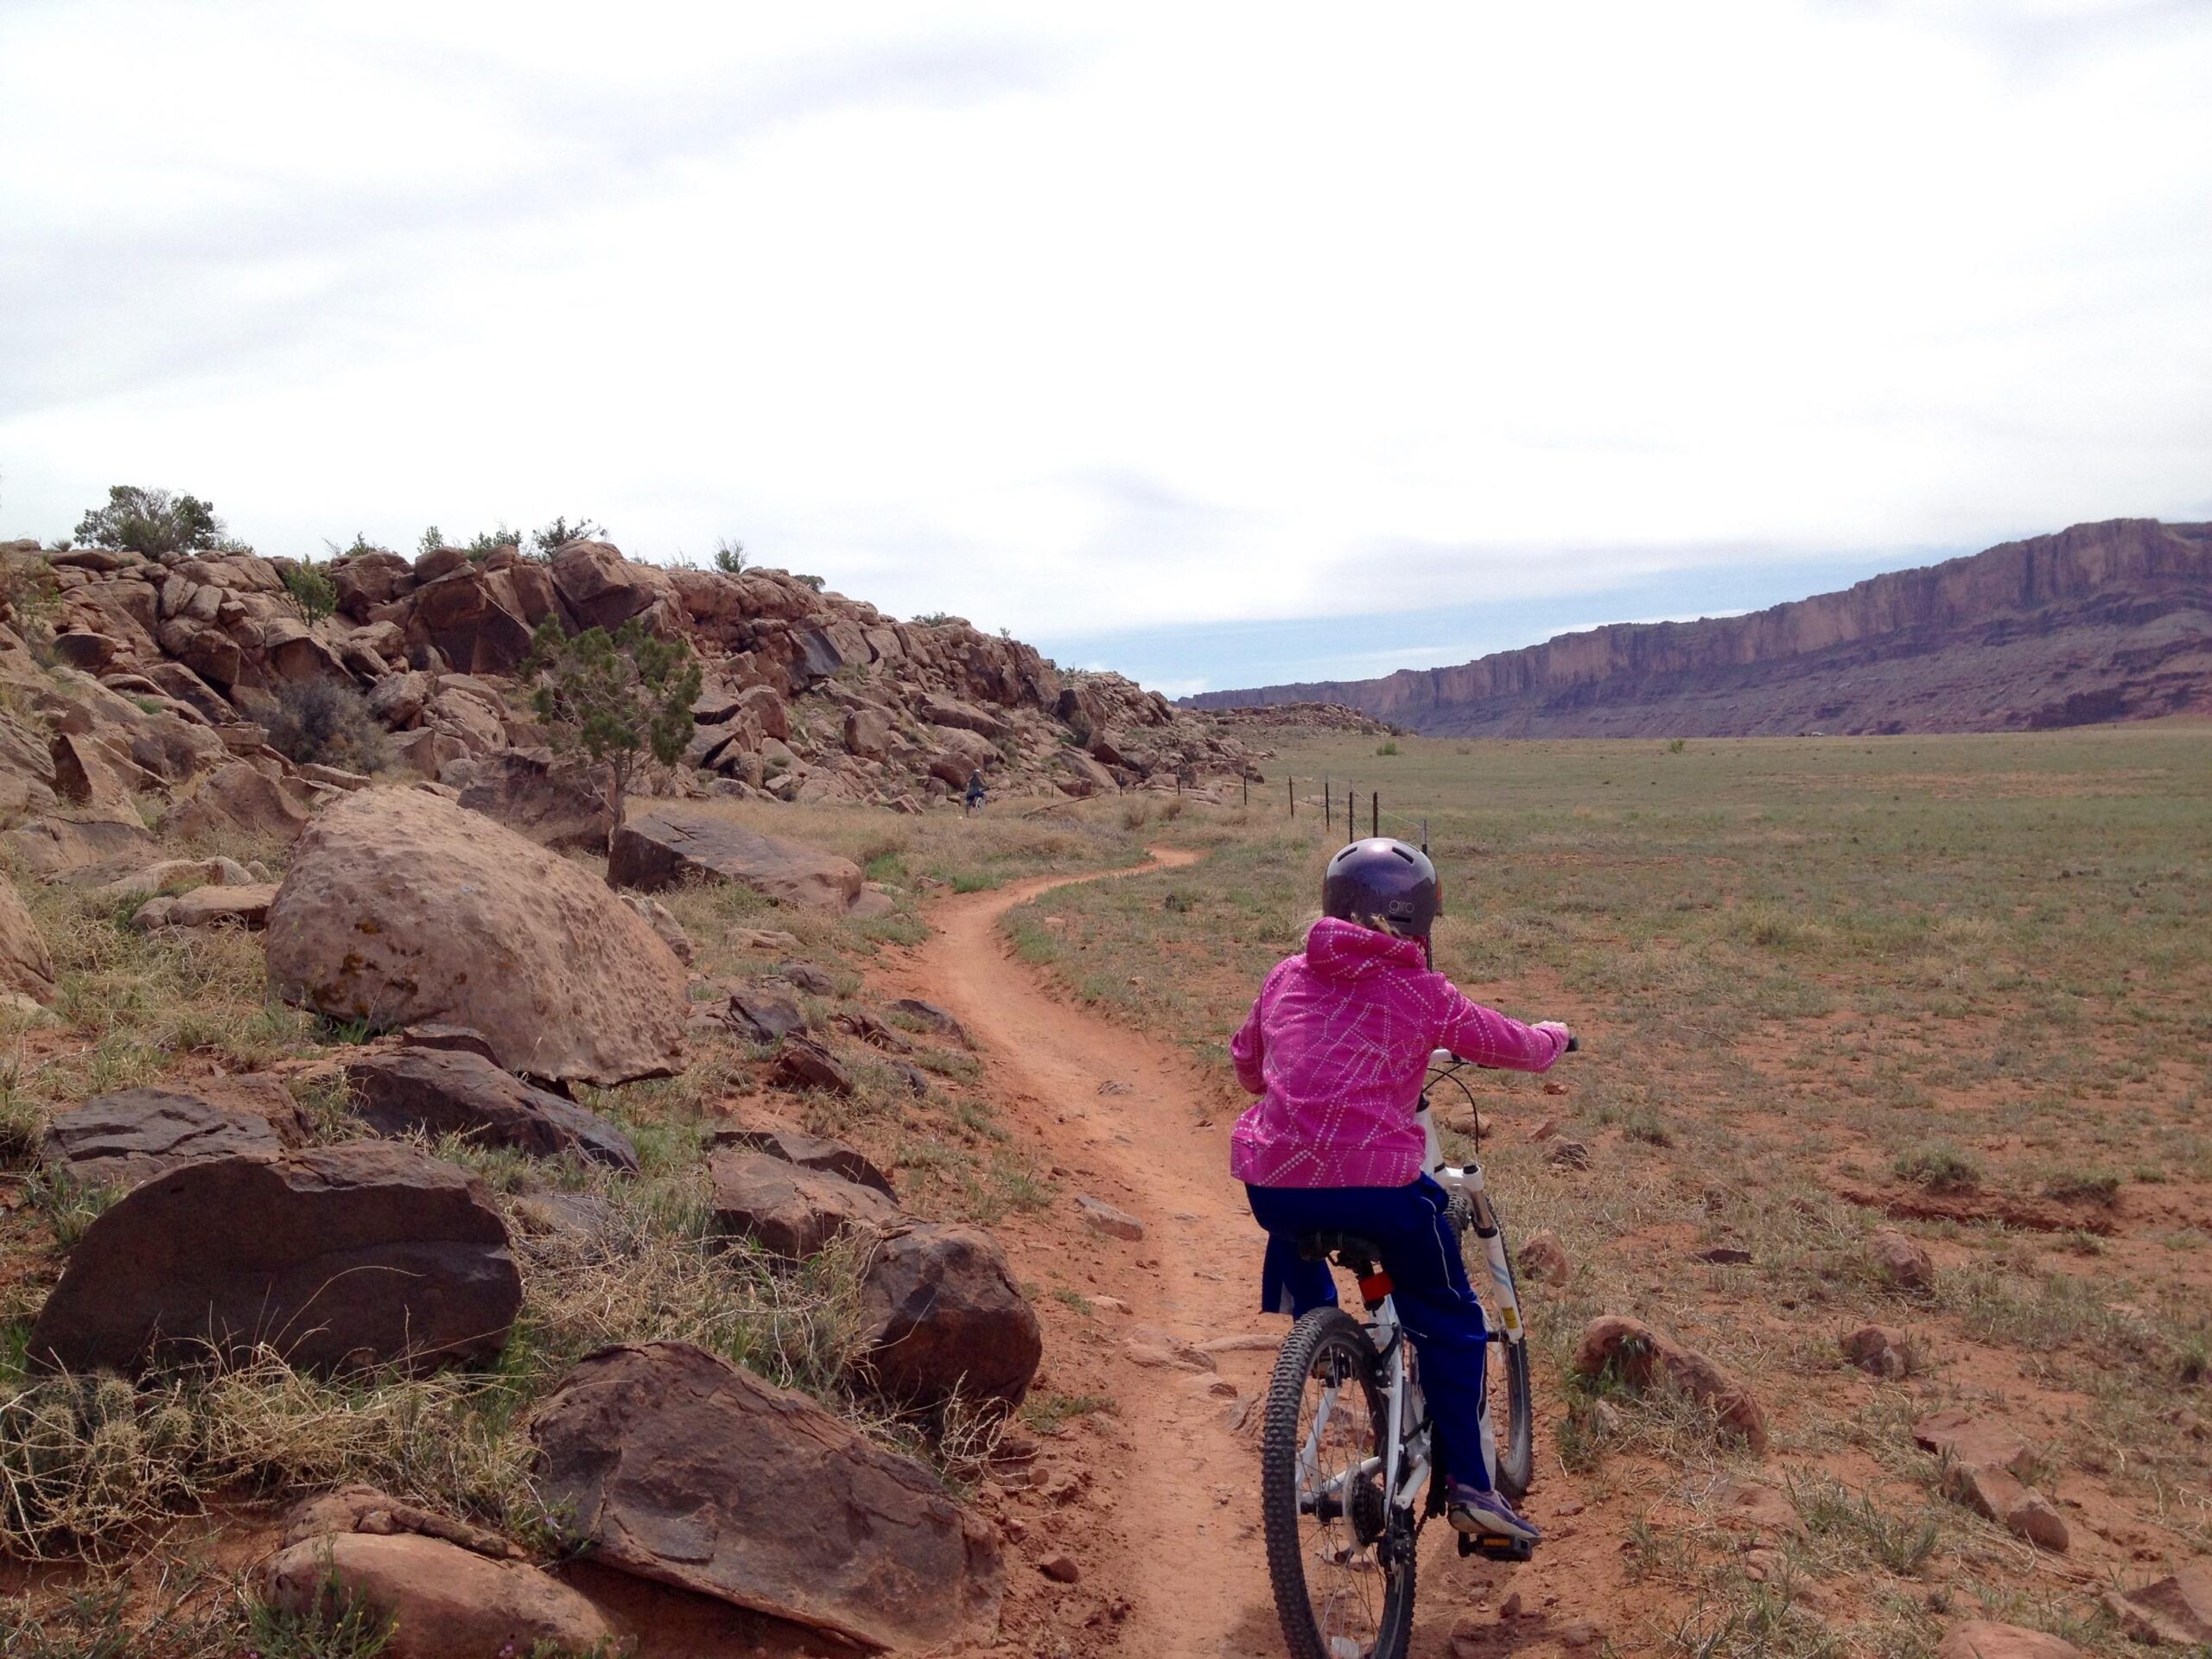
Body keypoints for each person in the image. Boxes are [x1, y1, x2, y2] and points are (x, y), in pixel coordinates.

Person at [1230, 837, 1571, 1547]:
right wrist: (1554, 1037)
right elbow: (1512, 1044)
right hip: (1379, 1190)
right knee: (1449, 1315)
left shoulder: (1285, 976)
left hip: (1275, 1186)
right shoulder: (1423, 991)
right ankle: (1474, 1487)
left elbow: (1248, 1068)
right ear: (1412, 922)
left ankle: (1318, 1328)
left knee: (1295, 1209)